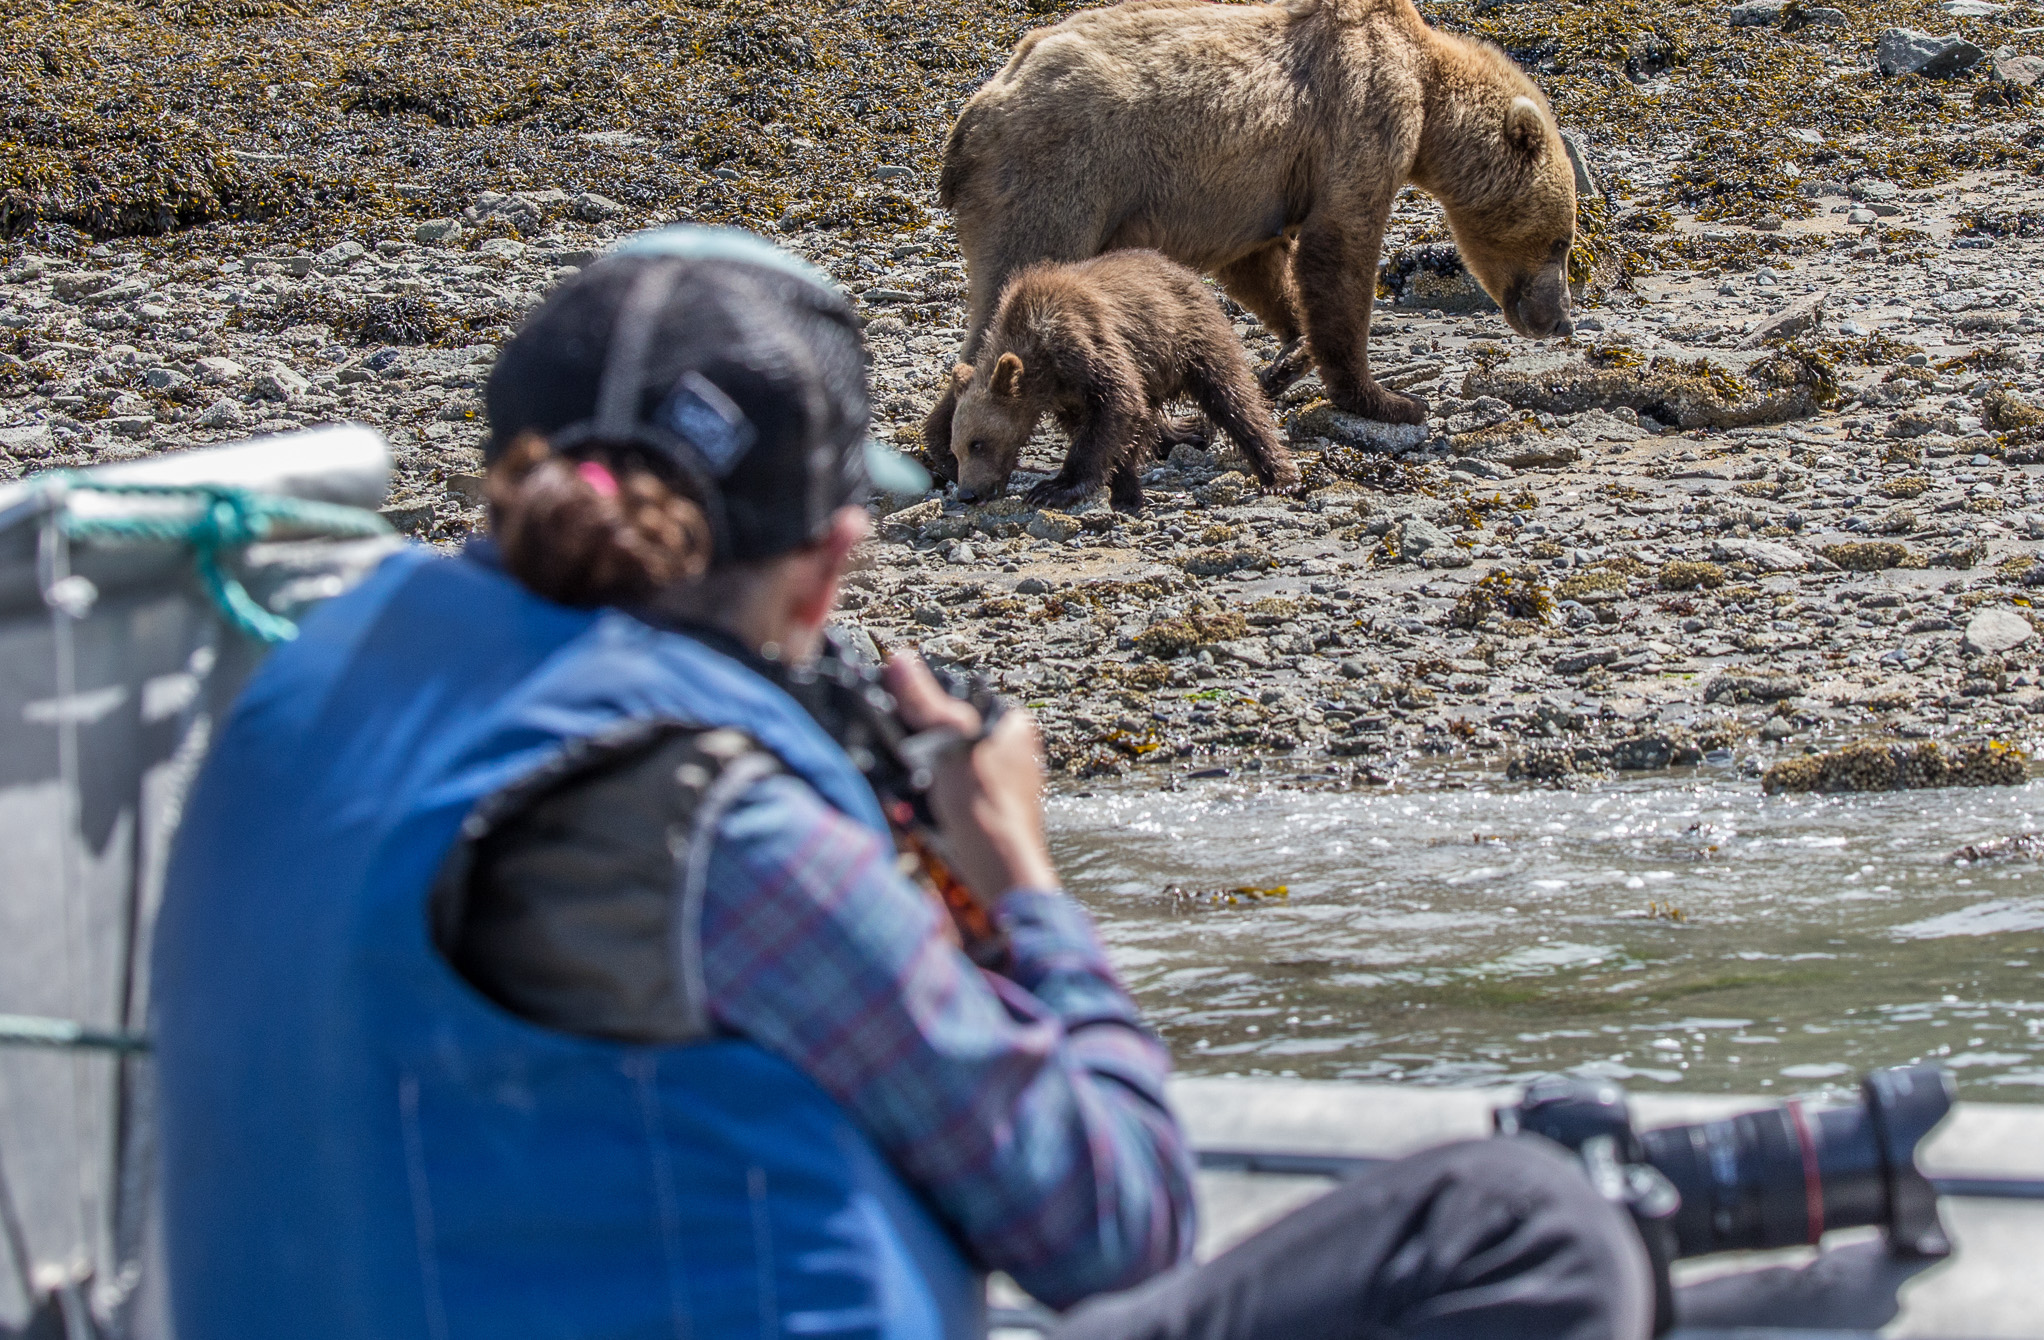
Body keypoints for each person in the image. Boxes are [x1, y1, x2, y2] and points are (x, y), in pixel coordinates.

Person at [153, 225, 1649, 1340]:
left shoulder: (287, 681)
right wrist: (1016, 877)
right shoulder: (705, 827)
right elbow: (1111, 1221)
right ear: (831, 555)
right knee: (1518, 1224)